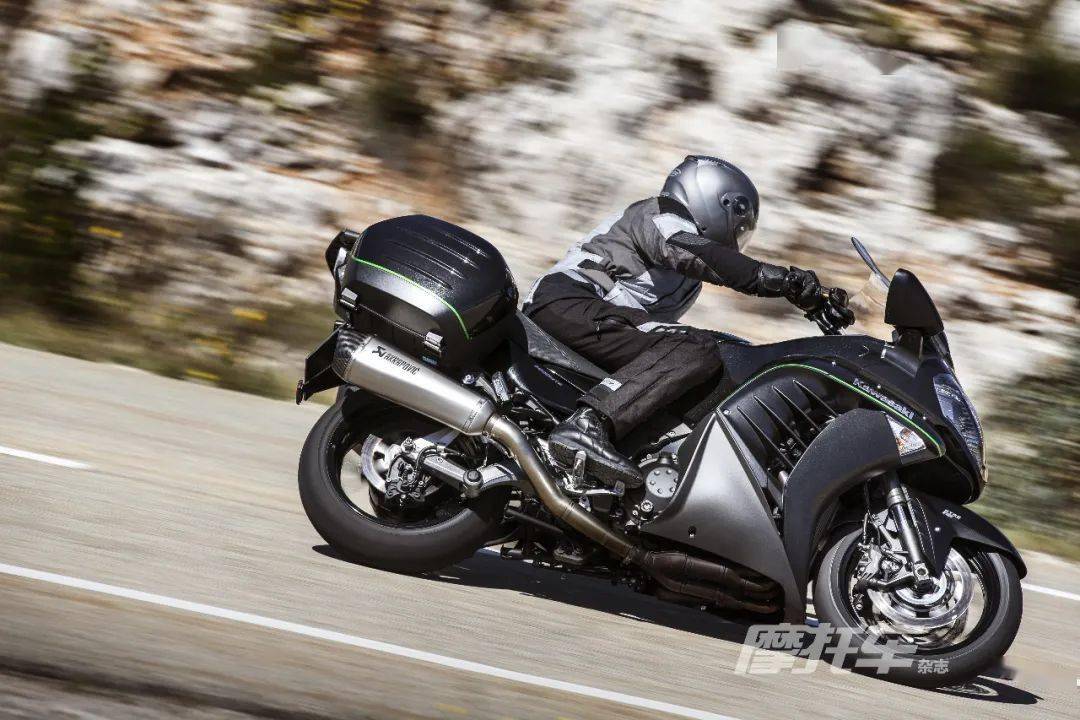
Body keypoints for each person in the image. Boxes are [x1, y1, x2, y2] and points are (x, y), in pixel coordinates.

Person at [522, 155, 854, 487]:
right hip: (568, 299)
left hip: (598, 319)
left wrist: (815, 304)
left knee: (719, 354)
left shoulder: (689, 282)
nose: (737, 237)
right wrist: (783, 282)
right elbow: (694, 251)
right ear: (715, 200)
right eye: (738, 223)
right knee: (696, 346)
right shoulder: (661, 215)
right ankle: (586, 426)